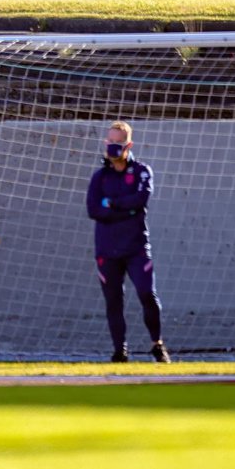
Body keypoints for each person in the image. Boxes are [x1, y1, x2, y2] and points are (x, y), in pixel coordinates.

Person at [86, 120, 170, 364]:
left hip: (136, 247)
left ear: (128, 145)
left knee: (147, 293)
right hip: (107, 249)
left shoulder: (142, 171)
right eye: (110, 141)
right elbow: (93, 209)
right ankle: (120, 351)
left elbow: (140, 200)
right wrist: (125, 209)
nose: (113, 146)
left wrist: (112, 204)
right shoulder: (100, 177)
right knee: (114, 301)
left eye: (118, 142)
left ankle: (157, 344)